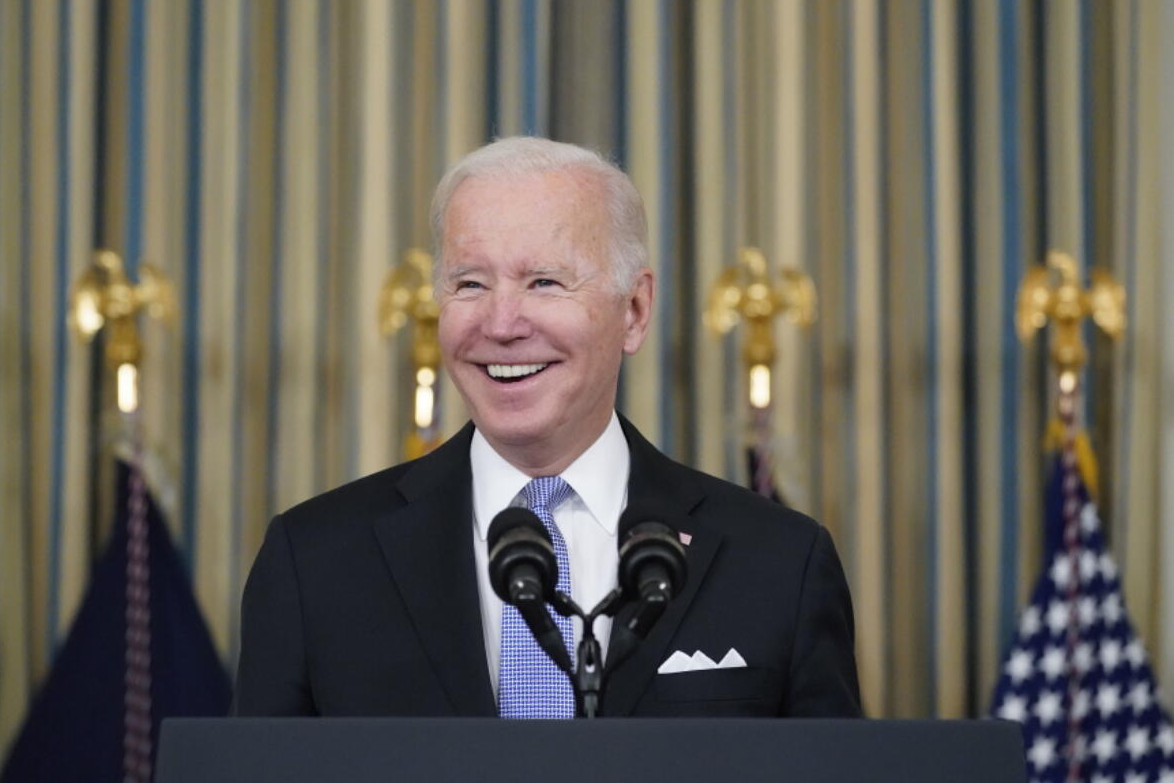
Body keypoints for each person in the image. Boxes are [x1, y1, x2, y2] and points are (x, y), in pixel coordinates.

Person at [234, 137, 861, 718]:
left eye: (544, 282)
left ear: (635, 311)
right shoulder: (313, 562)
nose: (502, 324)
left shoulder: (780, 563)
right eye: (470, 283)